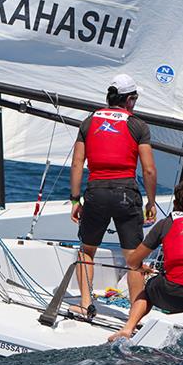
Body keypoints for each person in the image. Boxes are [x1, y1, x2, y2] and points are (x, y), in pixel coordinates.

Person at [70, 73, 157, 317]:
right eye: (135, 98)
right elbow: (149, 169)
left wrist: (76, 199)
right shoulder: (138, 125)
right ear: (128, 100)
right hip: (126, 194)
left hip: (95, 193)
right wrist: (151, 201)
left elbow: (77, 165)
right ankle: (134, 316)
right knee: (134, 259)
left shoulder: (88, 122)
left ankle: (86, 304)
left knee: (87, 251)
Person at [110, 180, 183, 340]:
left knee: (149, 288)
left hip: (170, 296)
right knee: (177, 286)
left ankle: (128, 328)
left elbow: (132, 261)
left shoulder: (166, 224)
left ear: (175, 202)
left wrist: (141, 268)